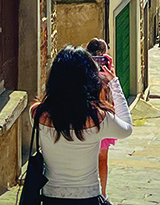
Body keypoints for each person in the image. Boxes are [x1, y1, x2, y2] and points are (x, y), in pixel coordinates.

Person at [32, 46, 133, 204]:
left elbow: (58, 104)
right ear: (89, 79)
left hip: (51, 197)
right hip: (88, 197)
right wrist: (114, 82)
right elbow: (127, 128)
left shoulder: (38, 113)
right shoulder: (98, 118)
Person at [86, 38, 117, 198]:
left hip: (86, 116)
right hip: (103, 115)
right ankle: (103, 193)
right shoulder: (107, 64)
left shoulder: (84, 64)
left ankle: (90, 192)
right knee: (102, 158)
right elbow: (113, 85)